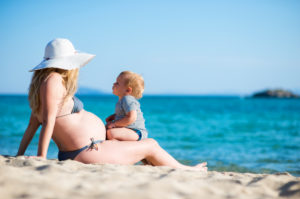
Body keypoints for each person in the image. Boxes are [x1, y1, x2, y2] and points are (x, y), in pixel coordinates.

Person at [16, 38, 207, 171]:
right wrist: (41, 156)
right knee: (151, 145)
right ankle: (188, 171)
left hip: (83, 151)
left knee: (144, 148)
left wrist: (19, 155)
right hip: (88, 152)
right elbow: (47, 121)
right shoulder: (54, 79)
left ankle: (173, 167)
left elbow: (33, 125)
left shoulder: (41, 84)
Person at [106, 71, 148, 141]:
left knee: (111, 133)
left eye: (117, 83)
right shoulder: (122, 100)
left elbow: (131, 117)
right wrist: (114, 116)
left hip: (136, 131)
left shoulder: (127, 99)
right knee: (106, 129)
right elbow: (124, 113)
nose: (114, 84)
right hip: (129, 130)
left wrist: (114, 124)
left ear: (128, 90)